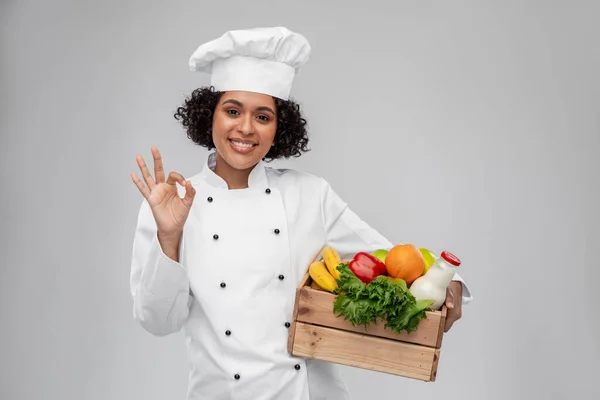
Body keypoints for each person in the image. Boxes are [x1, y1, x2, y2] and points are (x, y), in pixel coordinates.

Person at [129, 27, 473, 400]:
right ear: (209, 116)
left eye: (263, 116)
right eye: (232, 111)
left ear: (279, 129)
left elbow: (392, 261)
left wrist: (451, 285)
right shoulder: (169, 205)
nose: (245, 128)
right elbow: (158, 321)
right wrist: (168, 237)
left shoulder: (310, 195)